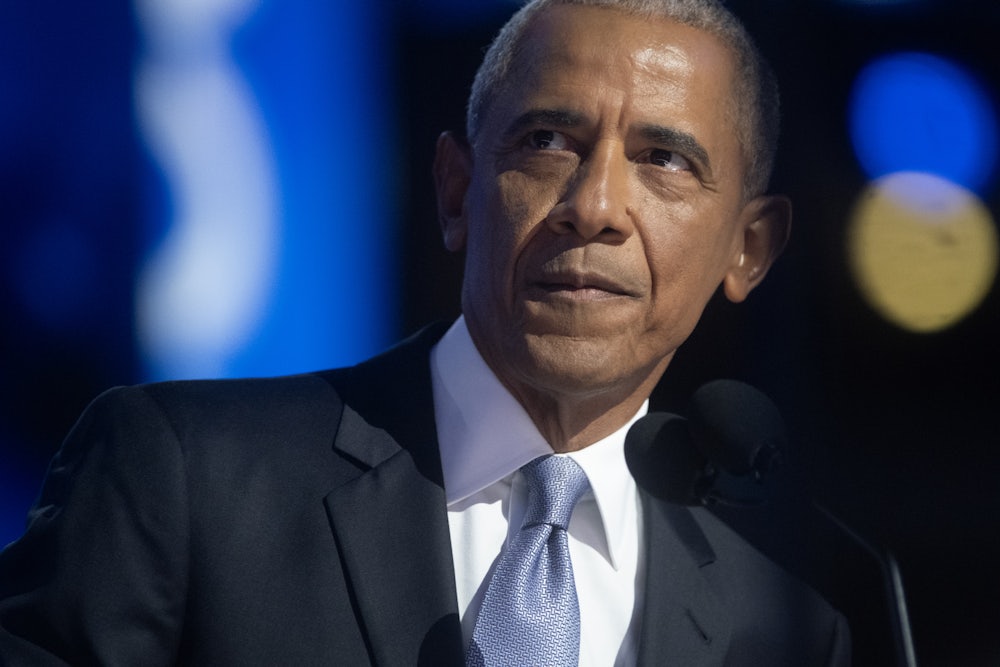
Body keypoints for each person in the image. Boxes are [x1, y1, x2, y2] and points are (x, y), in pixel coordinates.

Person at [0, 0, 850, 665]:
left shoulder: (784, 629)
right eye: (548, 140)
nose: (595, 207)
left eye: (665, 161)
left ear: (750, 248)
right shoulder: (181, 473)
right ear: (455, 193)